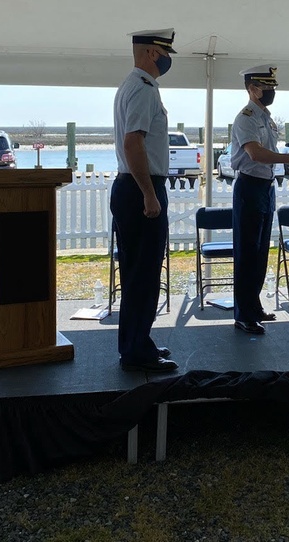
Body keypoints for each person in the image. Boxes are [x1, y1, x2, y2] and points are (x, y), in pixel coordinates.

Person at [111, 28, 178, 372]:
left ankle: (138, 344)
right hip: (141, 188)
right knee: (143, 275)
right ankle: (136, 351)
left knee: (140, 274)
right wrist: (150, 194)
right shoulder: (143, 89)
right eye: (165, 54)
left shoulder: (132, 85)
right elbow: (133, 143)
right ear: (153, 53)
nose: (168, 61)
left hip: (133, 186)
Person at [230, 65, 289, 335]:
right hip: (249, 186)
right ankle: (243, 314)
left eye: (273, 87)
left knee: (261, 251)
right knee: (247, 252)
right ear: (252, 89)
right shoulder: (247, 118)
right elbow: (257, 154)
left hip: (266, 186)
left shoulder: (266, 117)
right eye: (266, 87)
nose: (271, 92)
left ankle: (253, 306)